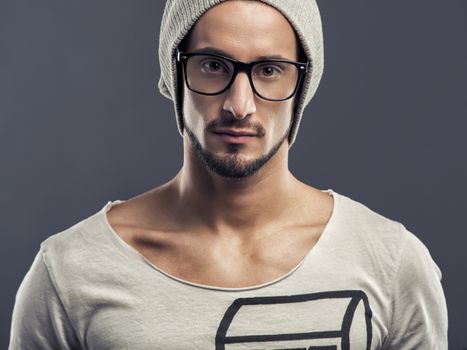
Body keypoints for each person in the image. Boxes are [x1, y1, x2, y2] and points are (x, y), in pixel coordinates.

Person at [9, 0, 448, 349]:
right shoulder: (70, 271)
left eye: (269, 71)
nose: (240, 105)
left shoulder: (390, 262)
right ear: (175, 75)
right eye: (214, 65)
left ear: (302, 87)